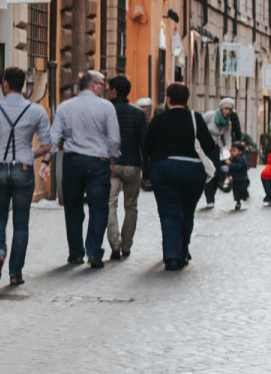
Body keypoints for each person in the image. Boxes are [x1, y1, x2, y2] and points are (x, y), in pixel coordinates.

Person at [0, 67, 53, 287]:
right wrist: (31, 153)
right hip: (24, 169)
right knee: (21, 224)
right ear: (24, 86)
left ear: (5, 84)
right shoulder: (36, 111)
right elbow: (48, 144)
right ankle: (15, 273)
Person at [142, 81, 223, 271]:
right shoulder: (195, 118)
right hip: (192, 170)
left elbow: (147, 147)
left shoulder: (159, 119)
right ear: (187, 100)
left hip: (164, 168)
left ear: (168, 99)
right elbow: (209, 146)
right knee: (187, 212)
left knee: (169, 213)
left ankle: (171, 256)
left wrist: (148, 171)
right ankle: (183, 250)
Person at [50, 70, 121, 268]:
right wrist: (112, 160)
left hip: (72, 161)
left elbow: (54, 137)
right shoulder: (106, 107)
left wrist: (48, 159)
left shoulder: (65, 107)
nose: (104, 89)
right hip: (97, 162)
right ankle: (94, 253)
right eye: (102, 84)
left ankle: (75, 253)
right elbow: (114, 139)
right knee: (99, 208)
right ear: (92, 85)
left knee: (73, 209)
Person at [105, 75, 148, 261]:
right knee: (131, 206)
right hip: (132, 165)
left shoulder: (106, 110)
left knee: (109, 205)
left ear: (114, 91)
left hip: (111, 165)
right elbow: (144, 144)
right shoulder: (138, 114)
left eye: (108, 89)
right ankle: (126, 245)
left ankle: (114, 243)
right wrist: (147, 169)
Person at [204, 97, 247, 207]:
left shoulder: (228, 123)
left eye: (230, 109)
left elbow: (227, 138)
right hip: (204, 146)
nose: (228, 111)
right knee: (208, 172)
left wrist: (228, 151)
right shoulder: (210, 116)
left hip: (215, 147)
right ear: (221, 108)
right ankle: (210, 199)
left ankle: (211, 196)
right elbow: (199, 126)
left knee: (217, 173)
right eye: (226, 108)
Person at [227, 143, 252, 209]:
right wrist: (229, 175)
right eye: (231, 151)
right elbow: (231, 169)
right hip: (235, 180)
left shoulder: (242, 159)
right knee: (236, 192)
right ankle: (238, 202)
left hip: (243, 179)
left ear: (240, 152)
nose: (232, 152)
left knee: (243, 190)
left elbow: (238, 166)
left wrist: (230, 164)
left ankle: (245, 196)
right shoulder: (232, 159)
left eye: (234, 151)